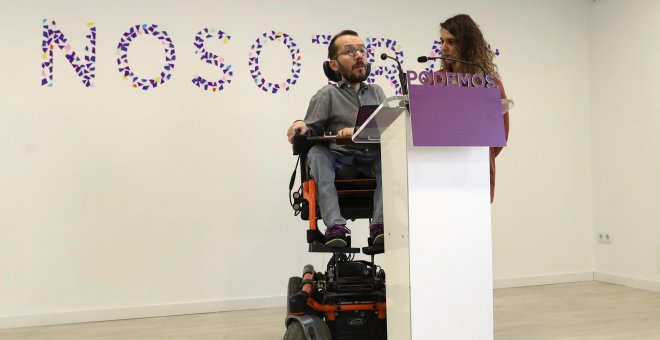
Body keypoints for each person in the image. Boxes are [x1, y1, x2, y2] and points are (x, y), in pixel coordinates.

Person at [286, 30, 386, 247]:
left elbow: (389, 129)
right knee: (316, 153)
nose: (359, 55)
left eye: (362, 51)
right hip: (339, 162)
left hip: (370, 160)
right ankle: (335, 227)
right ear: (334, 65)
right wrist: (299, 125)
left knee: (387, 156)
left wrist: (358, 132)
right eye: (350, 51)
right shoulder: (327, 94)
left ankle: (380, 226)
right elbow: (309, 128)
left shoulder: (377, 92)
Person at [439, 14, 510, 202]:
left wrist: (478, 155)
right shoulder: (436, 80)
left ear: (467, 44)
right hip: (441, 167)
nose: (443, 47)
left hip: (477, 167)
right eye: (442, 41)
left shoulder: (490, 83)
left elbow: (500, 135)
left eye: (450, 42)